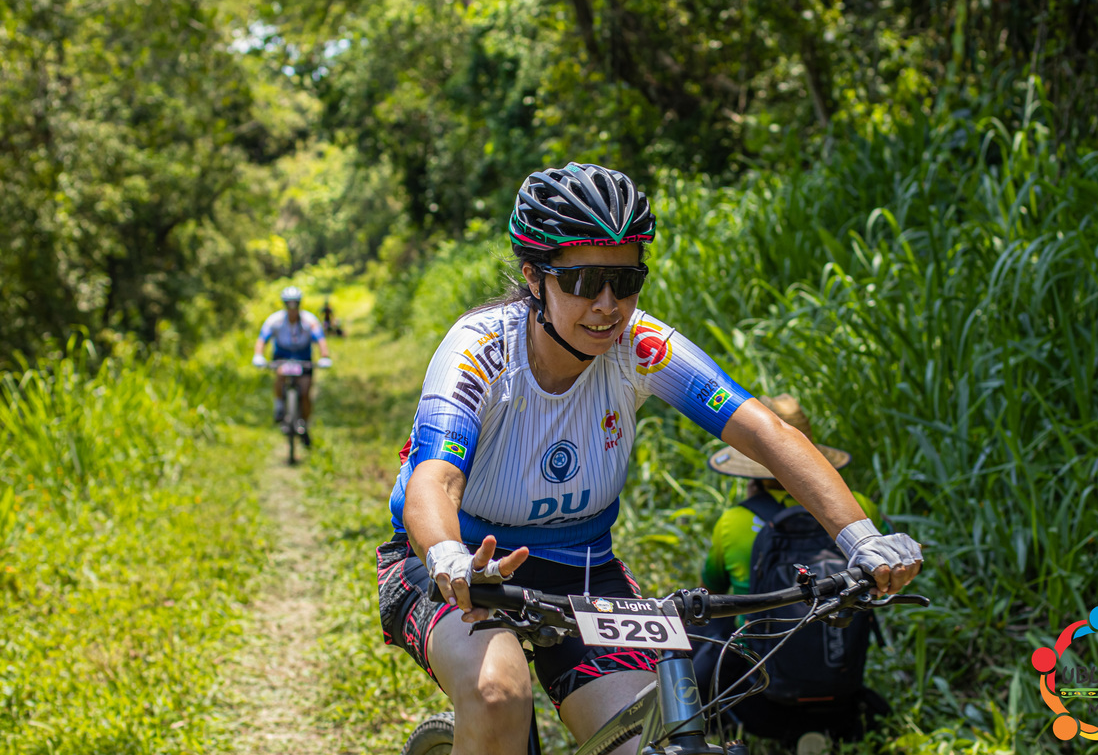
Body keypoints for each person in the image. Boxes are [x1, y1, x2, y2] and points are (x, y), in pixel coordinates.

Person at [375, 162, 922, 755]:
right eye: (585, 282)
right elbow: (436, 477)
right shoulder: (480, 349)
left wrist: (861, 537)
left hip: (581, 565)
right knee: (498, 696)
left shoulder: (639, 345)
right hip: (457, 561)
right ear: (534, 277)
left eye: (626, 280)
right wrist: (449, 557)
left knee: (650, 738)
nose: (608, 305)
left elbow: (766, 433)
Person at [696, 394, 891, 752]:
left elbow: (710, 588)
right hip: (840, 686)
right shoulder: (860, 509)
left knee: (703, 619)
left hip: (759, 700)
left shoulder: (734, 522)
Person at [252, 286, 333, 446]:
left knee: (305, 391)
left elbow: (321, 340)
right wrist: (258, 355)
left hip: (303, 358)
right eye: (289, 304)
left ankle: (305, 424)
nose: (292, 308)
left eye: (295, 304)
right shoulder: (274, 320)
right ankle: (279, 407)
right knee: (280, 375)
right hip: (282, 357)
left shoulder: (309, 321)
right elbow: (262, 339)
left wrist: (325, 356)